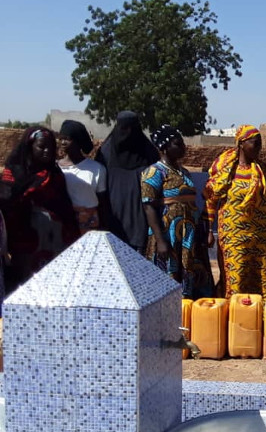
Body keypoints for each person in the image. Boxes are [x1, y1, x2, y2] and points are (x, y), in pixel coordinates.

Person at [1, 127, 80, 295]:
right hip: (24, 244)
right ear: (30, 146)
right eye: (41, 146)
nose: (47, 151)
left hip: (53, 243)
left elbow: (65, 208)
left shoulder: (54, 174)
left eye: (50, 147)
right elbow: (7, 205)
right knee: (25, 288)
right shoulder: (13, 173)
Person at [141, 125, 214, 298]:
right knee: (168, 278)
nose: (183, 147)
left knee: (194, 278)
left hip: (189, 236)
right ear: (164, 148)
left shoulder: (185, 172)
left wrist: (202, 232)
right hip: (169, 235)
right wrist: (160, 240)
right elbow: (149, 207)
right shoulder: (153, 172)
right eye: (177, 143)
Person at [205, 125, 266, 297]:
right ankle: (233, 317)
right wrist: (208, 229)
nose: (258, 147)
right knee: (235, 278)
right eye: (254, 143)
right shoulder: (227, 171)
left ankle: (258, 317)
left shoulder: (264, 170)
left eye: (260, 143)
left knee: (261, 277)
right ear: (242, 143)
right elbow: (210, 198)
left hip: (260, 235)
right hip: (233, 235)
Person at [95, 111, 159, 252]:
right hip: (113, 215)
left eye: (132, 128)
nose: (128, 133)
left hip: (140, 216)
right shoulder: (106, 153)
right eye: (123, 128)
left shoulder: (149, 153)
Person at [57, 120, 107, 233]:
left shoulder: (96, 169)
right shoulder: (55, 168)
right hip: (64, 225)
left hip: (91, 226)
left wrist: (104, 227)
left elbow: (103, 202)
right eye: (61, 138)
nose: (63, 142)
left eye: (68, 139)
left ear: (78, 141)